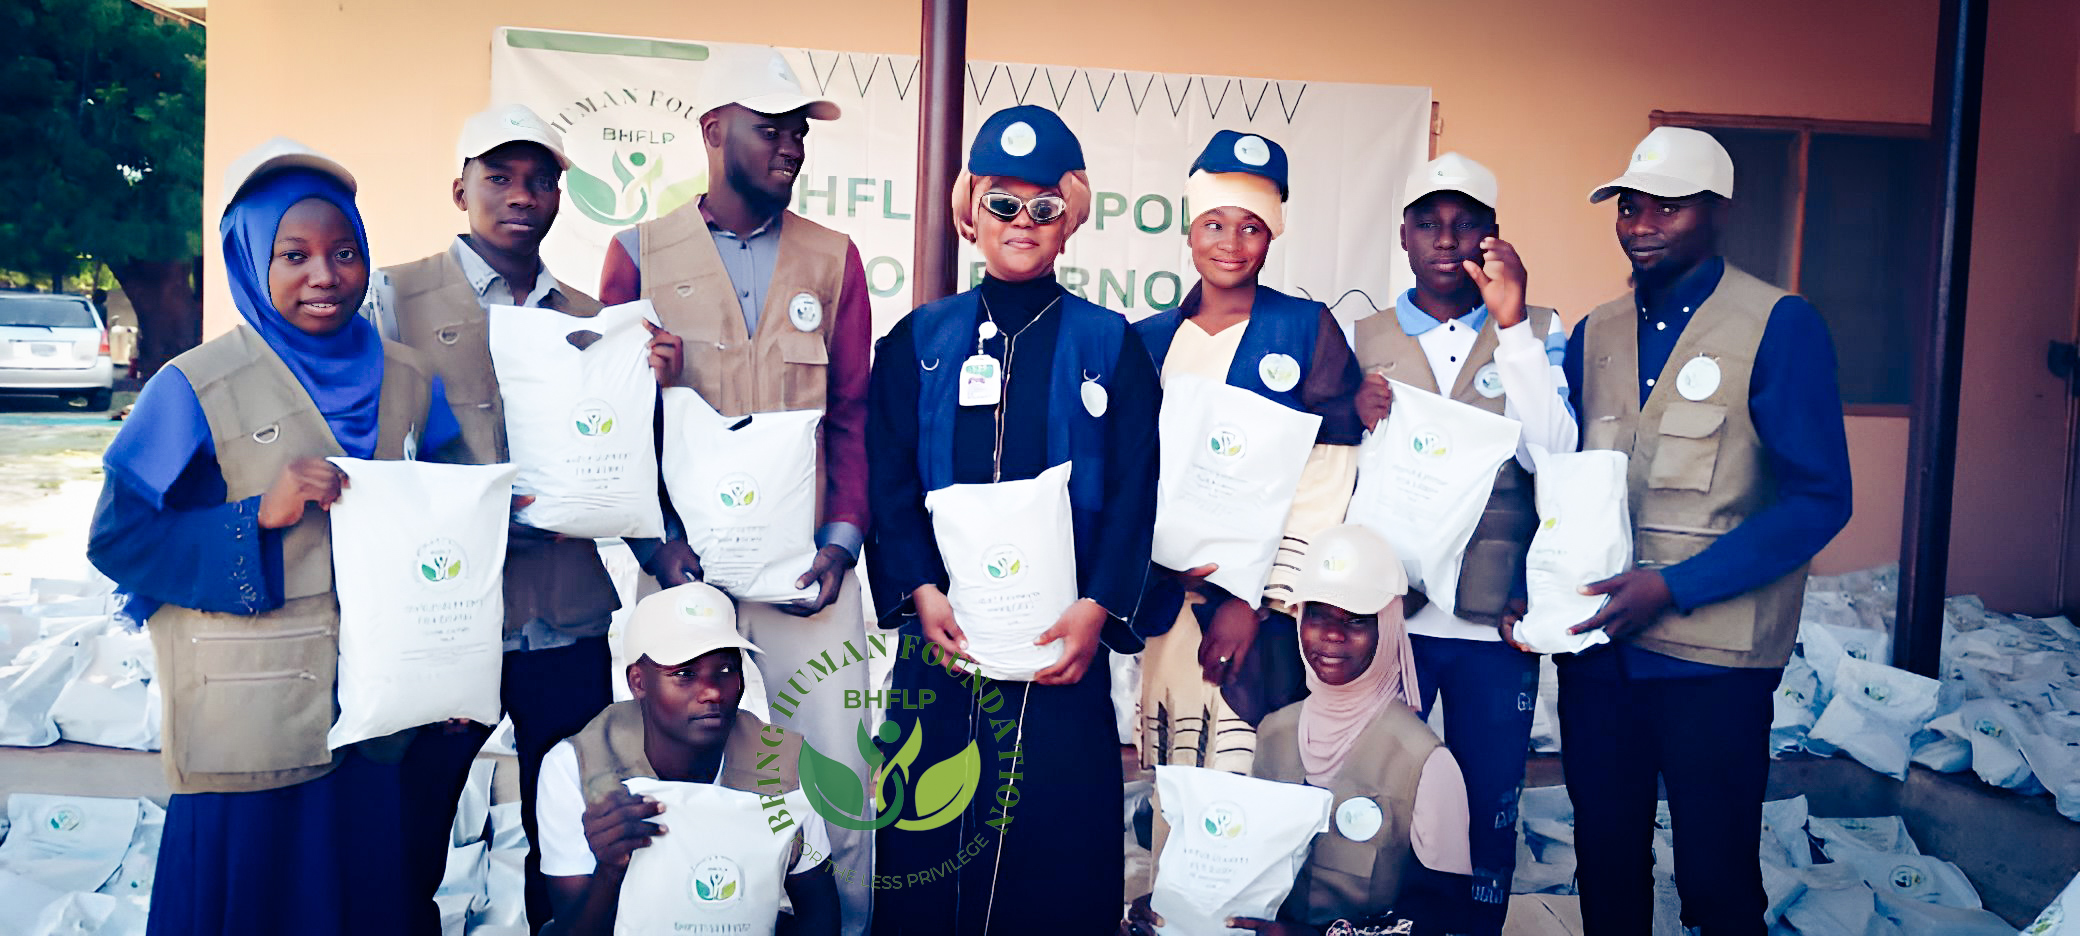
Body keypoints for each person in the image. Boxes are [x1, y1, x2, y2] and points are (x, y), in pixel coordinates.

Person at [88, 139, 460, 935]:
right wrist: (257, 515)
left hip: (373, 720)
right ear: (248, 259)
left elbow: (444, 517)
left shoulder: (407, 377)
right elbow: (119, 541)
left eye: (345, 252)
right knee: (248, 903)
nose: (324, 276)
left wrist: (453, 667)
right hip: (246, 726)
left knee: (359, 897)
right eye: (294, 255)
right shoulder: (195, 384)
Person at [361, 103, 677, 931]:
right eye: (498, 177)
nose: (520, 196)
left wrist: (653, 379)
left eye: (540, 181)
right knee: (409, 834)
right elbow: (367, 450)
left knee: (567, 836)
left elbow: (620, 455)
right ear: (459, 188)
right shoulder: (391, 297)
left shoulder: (586, 315)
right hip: (448, 621)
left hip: (565, 622)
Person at [596, 46, 876, 928]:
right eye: (772, 130)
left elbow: (854, 416)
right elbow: (612, 426)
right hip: (684, 572)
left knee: (839, 775)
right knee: (667, 777)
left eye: (799, 133)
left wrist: (840, 546)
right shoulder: (637, 252)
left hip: (808, 580)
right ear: (715, 132)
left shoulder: (834, 259)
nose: (791, 147)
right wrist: (654, 547)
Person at [865, 103, 1160, 935]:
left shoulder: (1111, 344)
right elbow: (887, 483)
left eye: (1043, 207)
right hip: (945, 649)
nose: (1021, 224)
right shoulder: (918, 342)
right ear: (970, 211)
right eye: (1002, 202)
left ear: (1071, 219)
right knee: (932, 840)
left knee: (1054, 852)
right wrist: (920, 591)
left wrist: (1096, 609)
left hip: (1060, 653)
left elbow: (1138, 489)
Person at [1559, 126, 1853, 936]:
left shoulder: (1778, 325)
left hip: (1714, 664)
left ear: (1716, 213)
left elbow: (1819, 499)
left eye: (1669, 207)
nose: (1642, 223)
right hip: (1600, 655)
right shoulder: (1595, 333)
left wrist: (1674, 587)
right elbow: (1556, 474)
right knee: (1606, 862)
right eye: (1630, 206)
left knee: (1717, 877)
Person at [1348, 151, 1576, 934]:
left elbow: (1556, 455)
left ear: (1493, 237)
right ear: (1404, 235)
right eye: (1430, 223)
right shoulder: (1364, 336)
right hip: (1391, 620)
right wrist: (1353, 410)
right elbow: (1341, 474)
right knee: (1386, 791)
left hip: (1492, 621)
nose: (1447, 239)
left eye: (1467, 223)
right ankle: (1384, 922)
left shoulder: (1539, 331)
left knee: (1486, 801)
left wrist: (1511, 326)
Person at [1132, 129, 1364, 774]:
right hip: (1168, 600)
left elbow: (1327, 476)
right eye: (1213, 223)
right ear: (1188, 230)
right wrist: (1154, 570)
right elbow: (1132, 475)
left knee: (1249, 769)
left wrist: (1252, 600)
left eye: (1251, 227)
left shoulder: (1305, 328)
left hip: (1261, 610)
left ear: (1273, 234)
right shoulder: (1148, 341)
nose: (1230, 245)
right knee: (1173, 756)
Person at [1125, 524, 1473, 936]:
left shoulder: (1425, 761)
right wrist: (1174, 905)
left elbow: (1442, 917)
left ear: (1388, 629)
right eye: (1318, 614)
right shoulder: (1274, 733)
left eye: (1357, 620)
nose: (1331, 634)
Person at [537, 582, 840, 935]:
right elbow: (574, 930)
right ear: (638, 682)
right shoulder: (577, 765)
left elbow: (820, 916)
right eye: (684, 674)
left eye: (726, 670)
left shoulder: (780, 762)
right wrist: (610, 868)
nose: (712, 691)